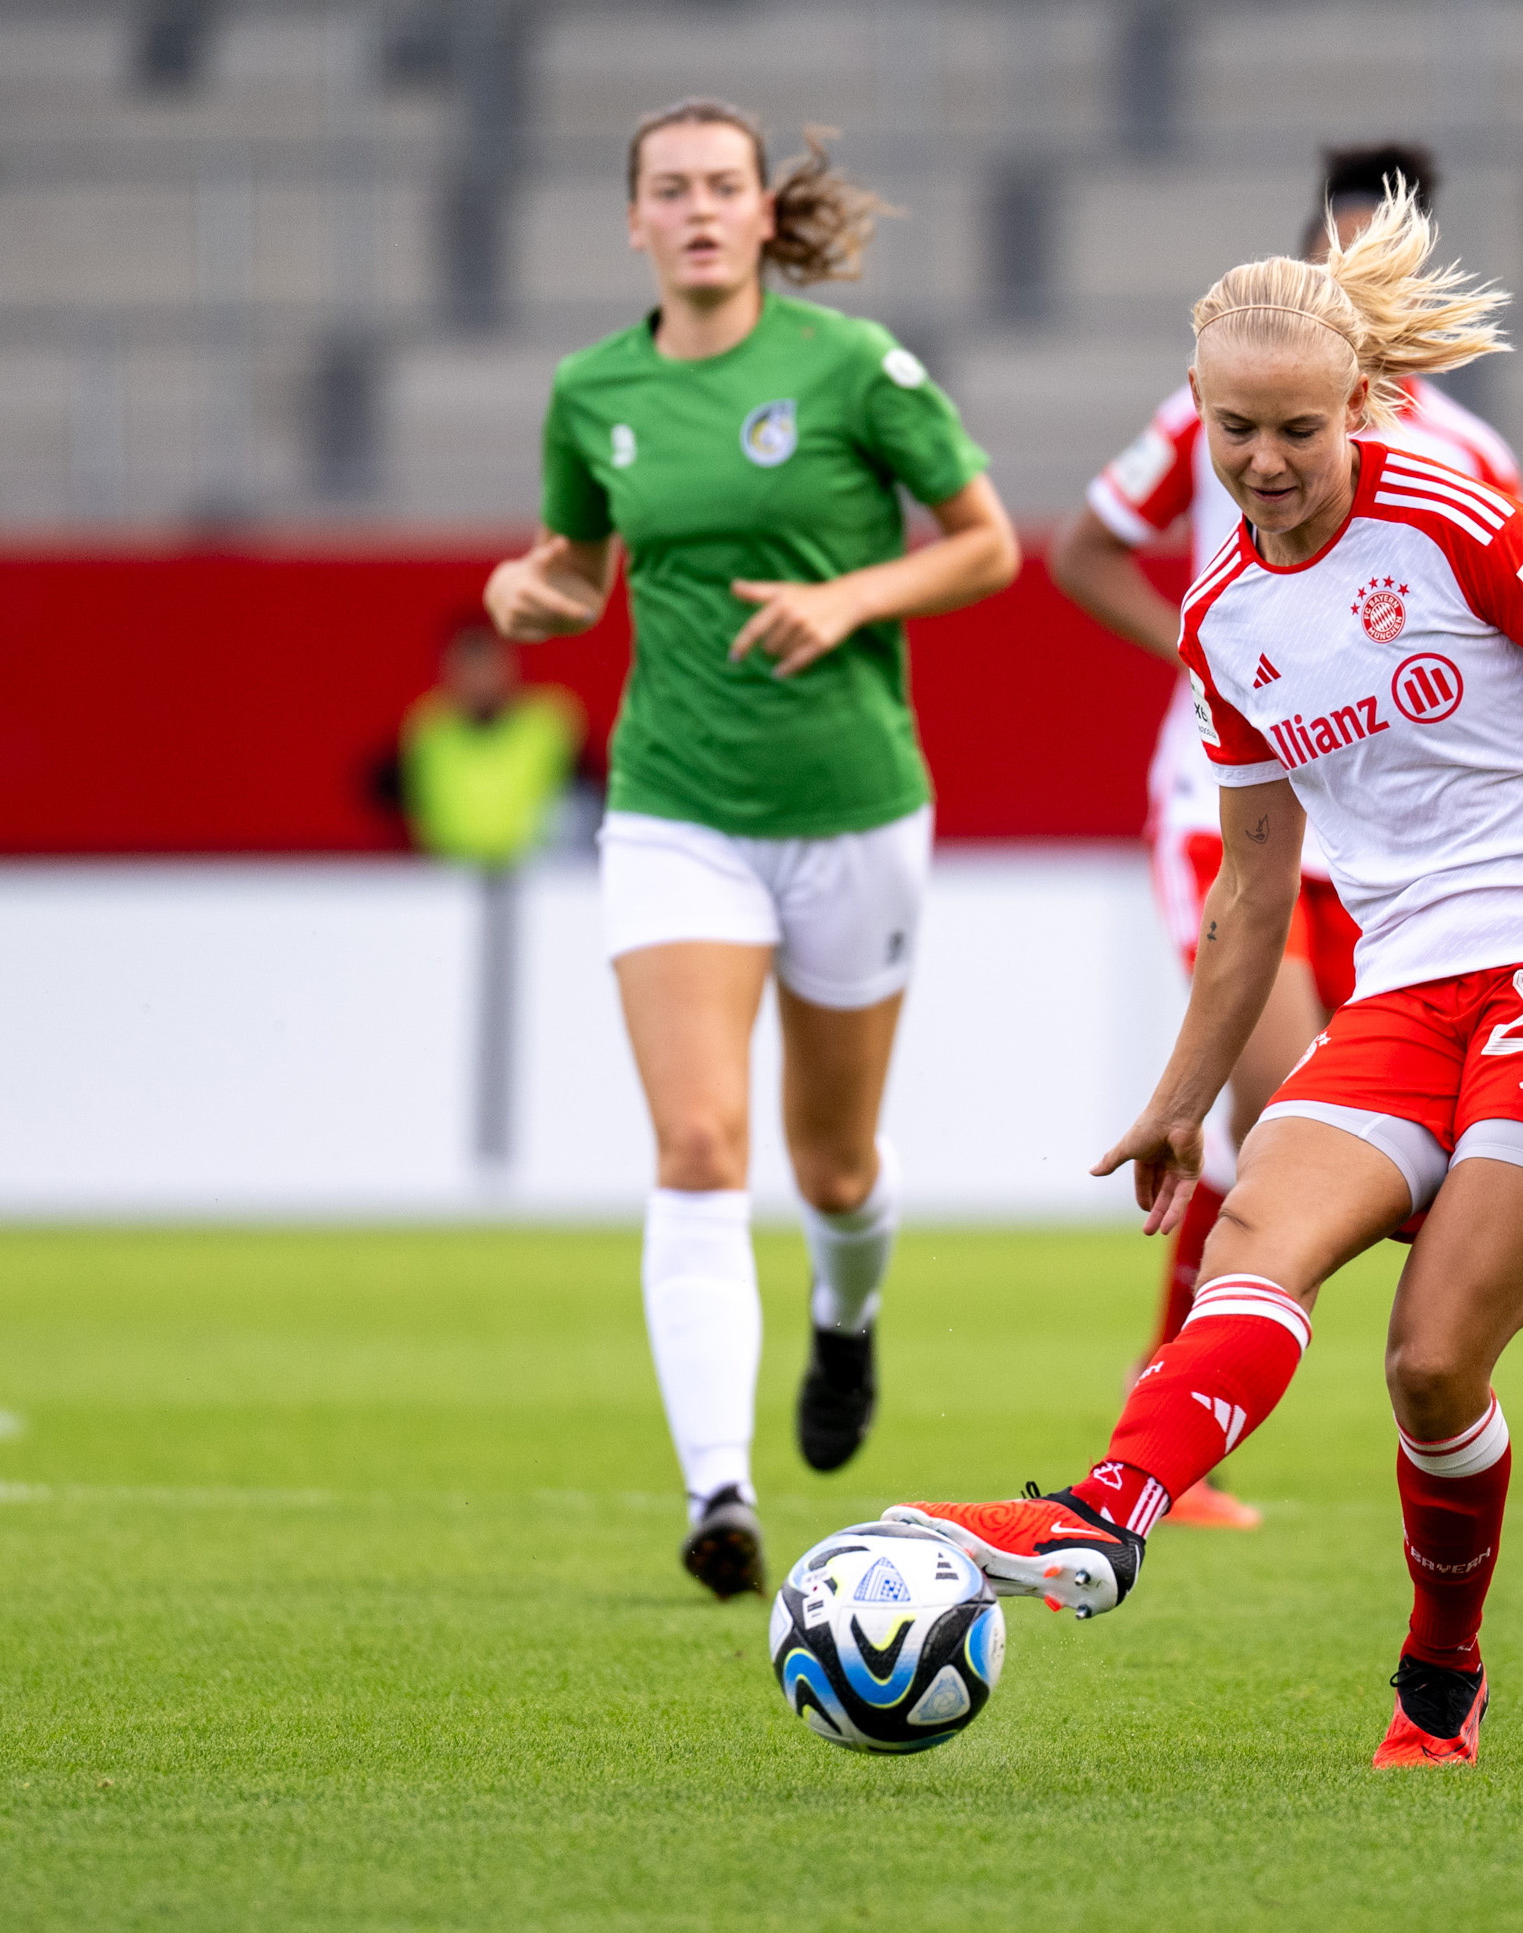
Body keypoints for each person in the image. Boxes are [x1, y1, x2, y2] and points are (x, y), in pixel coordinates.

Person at [887, 183, 1523, 1767]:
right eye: (1232, 433)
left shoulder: (1459, 521)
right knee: (1257, 1224)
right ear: (1196, 414)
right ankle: (1103, 1516)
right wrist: (1176, 1101)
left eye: (1294, 429)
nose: (1263, 465)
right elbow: (1252, 893)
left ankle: (1440, 1674)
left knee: (1428, 1359)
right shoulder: (1220, 616)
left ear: (1362, 404)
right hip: (1414, 986)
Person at [480, 98, 1020, 1600]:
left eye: (726, 184)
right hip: (675, 807)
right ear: (635, 220)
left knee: (832, 1161)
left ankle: (845, 1326)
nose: (703, 207)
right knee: (700, 1143)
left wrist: (848, 600)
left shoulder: (850, 368)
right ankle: (719, 1491)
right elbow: (582, 572)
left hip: (854, 804)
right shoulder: (594, 390)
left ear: (762, 212)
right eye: (674, 188)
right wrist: (536, 595)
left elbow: (988, 543)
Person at [1046, 142, 1523, 1530]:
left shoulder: (1467, 457)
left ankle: (1180, 1414)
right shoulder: (1215, 406)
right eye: (1339, 244)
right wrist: (1207, 674)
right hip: (1230, 814)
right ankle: (1170, 1423)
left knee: (1313, 1131)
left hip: (1384, 852)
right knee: (1292, 1102)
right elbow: (1084, 548)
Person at [389, 622, 589, 870]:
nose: (479, 680)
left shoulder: (550, 724)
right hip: (445, 876)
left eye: (487, 665)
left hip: (542, 874)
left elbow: (587, 799)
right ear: (447, 671)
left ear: (510, 665)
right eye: (469, 667)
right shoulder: (427, 730)